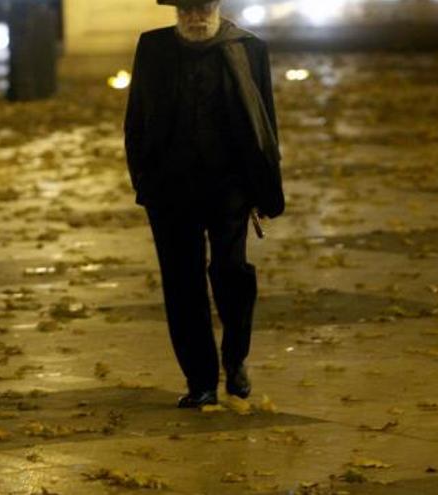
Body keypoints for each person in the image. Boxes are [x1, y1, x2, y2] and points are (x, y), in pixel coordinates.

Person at [123, 0, 285, 408]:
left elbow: (264, 122)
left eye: (203, 7)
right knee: (182, 284)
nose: (196, 16)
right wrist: (142, 176)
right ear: (177, 11)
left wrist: (264, 187)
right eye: (188, 8)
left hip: (228, 185)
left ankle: (235, 361)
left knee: (231, 272)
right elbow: (137, 117)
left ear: (217, 8)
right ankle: (201, 381)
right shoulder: (154, 48)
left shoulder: (248, 48)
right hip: (169, 188)